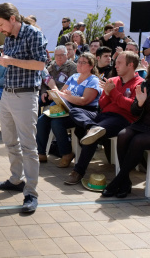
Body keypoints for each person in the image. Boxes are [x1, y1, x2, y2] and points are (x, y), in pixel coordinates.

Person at [0, 3, 48, 213]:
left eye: (1, 24)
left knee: (28, 147)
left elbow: (41, 64)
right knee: (9, 142)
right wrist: (3, 61)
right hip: (8, 93)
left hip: (25, 95)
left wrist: (11, 60)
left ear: (12, 18)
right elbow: (11, 64)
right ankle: (16, 180)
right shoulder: (10, 37)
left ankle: (31, 193)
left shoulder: (33, 34)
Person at [65, 51, 144, 185]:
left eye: (119, 63)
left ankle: (78, 171)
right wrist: (107, 94)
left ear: (130, 65)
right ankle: (91, 127)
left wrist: (113, 92)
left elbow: (132, 108)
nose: (115, 65)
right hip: (102, 116)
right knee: (75, 111)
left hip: (121, 119)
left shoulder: (140, 84)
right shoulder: (112, 80)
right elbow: (101, 105)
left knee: (94, 134)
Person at [37, 53, 102, 168]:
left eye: (83, 62)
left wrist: (65, 95)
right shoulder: (74, 77)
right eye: (79, 61)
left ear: (91, 66)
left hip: (83, 112)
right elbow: (63, 92)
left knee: (56, 123)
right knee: (42, 119)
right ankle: (41, 152)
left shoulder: (93, 80)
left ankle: (66, 153)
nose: (79, 64)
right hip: (66, 107)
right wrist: (62, 95)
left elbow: (84, 101)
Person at [102, 68, 150, 198]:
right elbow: (134, 111)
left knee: (137, 141)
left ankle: (117, 181)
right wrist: (139, 103)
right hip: (142, 124)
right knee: (123, 135)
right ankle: (125, 182)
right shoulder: (146, 84)